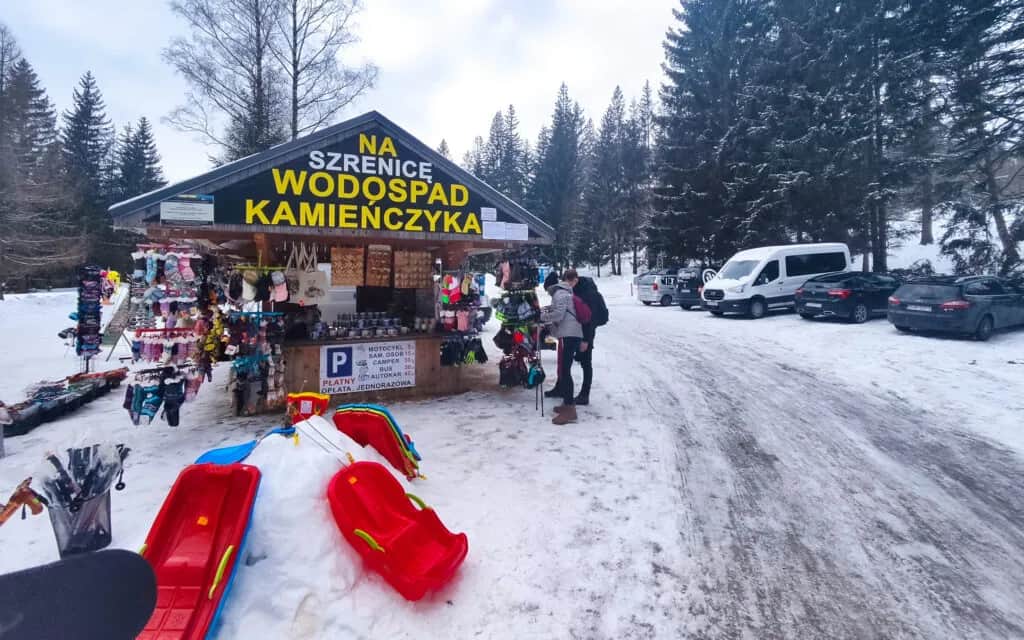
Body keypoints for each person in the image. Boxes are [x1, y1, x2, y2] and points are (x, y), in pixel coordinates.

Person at [540, 269, 583, 425]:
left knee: (565, 371)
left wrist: (542, 317)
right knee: (565, 370)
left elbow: (559, 315)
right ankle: (567, 404)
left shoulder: (559, 293)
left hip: (569, 334)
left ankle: (570, 409)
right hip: (571, 333)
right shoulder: (565, 293)